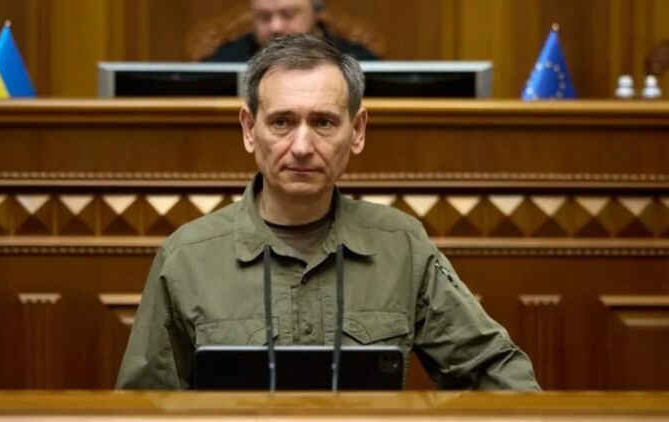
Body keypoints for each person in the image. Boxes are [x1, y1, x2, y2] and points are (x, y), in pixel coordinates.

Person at [117, 34, 540, 390]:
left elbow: (497, 372)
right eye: (281, 122)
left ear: (357, 131)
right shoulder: (187, 257)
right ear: (249, 129)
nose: (302, 147)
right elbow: (142, 406)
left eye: (323, 122)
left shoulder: (401, 246)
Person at [202, 0, 378, 62]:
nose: (275, 27)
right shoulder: (228, 60)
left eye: (288, 14)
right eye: (264, 17)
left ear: (317, 12)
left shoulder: (355, 60)